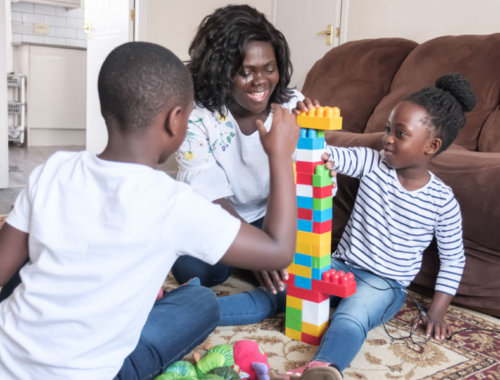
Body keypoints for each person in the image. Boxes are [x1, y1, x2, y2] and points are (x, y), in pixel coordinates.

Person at [0, 42, 301, 380]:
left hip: (6, 356)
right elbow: (277, 251)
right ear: (175, 120)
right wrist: (279, 156)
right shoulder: (173, 203)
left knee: (33, 240)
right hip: (95, 373)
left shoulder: (53, 169)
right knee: (199, 302)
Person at [218, 73, 476, 380]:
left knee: (351, 316)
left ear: (431, 145)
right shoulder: (371, 161)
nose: (388, 139)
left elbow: (453, 259)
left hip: (385, 283)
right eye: (387, 129)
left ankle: (324, 368)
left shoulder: (442, 201)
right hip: (340, 264)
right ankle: (196, 310)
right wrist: (310, 139)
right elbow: (326, 156)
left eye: (400, 134)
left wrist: (438, 309)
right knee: (277, 290)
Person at [173, 5, 330, 293]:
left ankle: (253, 261)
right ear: (219, 72)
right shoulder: (195, 115)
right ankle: (250, 261)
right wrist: (258, 251)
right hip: (218, 214)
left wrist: (317, 155)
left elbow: (318, 187)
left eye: (269, 69)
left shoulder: (292, 105)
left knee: (310, 269)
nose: (261, 81)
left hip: (269, 215)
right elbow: (209, 194)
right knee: (194, 270)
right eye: (245, 72)